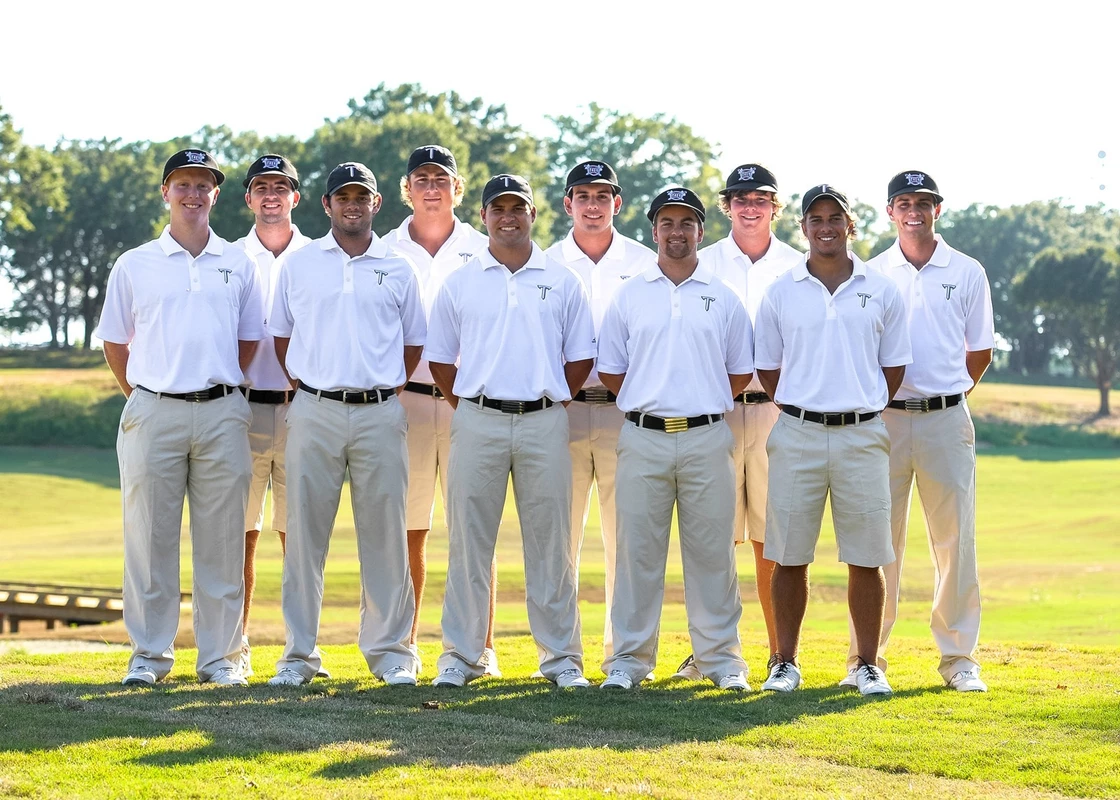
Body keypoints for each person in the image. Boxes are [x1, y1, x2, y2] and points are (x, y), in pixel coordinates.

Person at [96, 148, 263, 687]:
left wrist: (210, 384)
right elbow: (116, 342)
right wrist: (151, 393)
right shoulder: (135, 263)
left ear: (215, 194)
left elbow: (248, 341)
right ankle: (149, 656)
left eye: (203, 185)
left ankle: (220, 659)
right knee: (149, 540)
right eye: (183, 185)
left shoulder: (238, 263)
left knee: (222, 541)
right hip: (154, 410)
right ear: (166, 192)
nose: (193, 194)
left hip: (221, 412)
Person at [425, 174, 596, 689]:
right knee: (469, 543)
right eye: (498, 209)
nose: (508, 217)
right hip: (478, 418)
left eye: (517, 208)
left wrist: (541, 396)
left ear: (533, 214)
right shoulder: (461, 279)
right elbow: (439, 360)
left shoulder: (562, 278)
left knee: (551, 544)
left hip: (544, 418)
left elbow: (581, 358)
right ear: (483, 216)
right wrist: (476, 403)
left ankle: (562, 659)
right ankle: (462, 655)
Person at [267, 162, 425, 687]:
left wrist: (376, 385)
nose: (353, 204)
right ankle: (298, 655)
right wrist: (319, 383)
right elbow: (282, 339)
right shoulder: (301, 264)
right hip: (314, 408)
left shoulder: (399, 267)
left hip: (381, 410)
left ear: (377, 204)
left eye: (362, 196)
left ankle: (391, 654)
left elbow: (412, 344)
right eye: (343, 197)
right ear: (327, 205)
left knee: (385, 535)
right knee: (304, 535)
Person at [753, 184, 911, 697]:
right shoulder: (782, 289)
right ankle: (784, 662)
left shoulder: (881, 287)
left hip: (862, 434)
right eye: (815, 219)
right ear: (803, 227)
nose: (825, 226)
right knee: (788, 552)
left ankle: (866, 664)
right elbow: (768, 368)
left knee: (867, 554)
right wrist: (805, 407)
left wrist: (855, 407)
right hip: (796, 431)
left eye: (834, 218)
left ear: (851, 224)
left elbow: (893, 368)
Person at [597, 187, 753, 691]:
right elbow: (615, 372)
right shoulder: (631, 293)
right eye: (667, 223)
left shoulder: (722, 296)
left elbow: (736, 373)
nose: (676, 232)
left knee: (712, 553)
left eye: (687, 223)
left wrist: (697, 402)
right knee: (636, 552)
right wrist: (654, 402)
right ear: (654, 230)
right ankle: (628, 660)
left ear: (701, 232)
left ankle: (721, 660)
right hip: (644, 436)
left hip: (707, 435)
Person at [848, 170, 994, 692]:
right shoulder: (869, 273)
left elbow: (980, 351)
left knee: (955, 539)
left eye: (924, 203)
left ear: (938, 209)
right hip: (881, 419)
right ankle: (866, 659)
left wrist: (948, 394)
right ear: (889, 211)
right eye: (904, 203)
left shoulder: (968, 270)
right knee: (876, 541)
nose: (915, 211)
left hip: (945, 418)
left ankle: (958, 658)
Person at [675, 164, 802, 682]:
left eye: (762, 198)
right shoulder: (699, 264)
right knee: (713, 538)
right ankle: (711, 650)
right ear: (726, 206)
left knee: (773, 540)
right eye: (741, 198)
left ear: (776, 207)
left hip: (778, 411)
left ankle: (779, 654)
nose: (751, 207)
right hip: (716, 411)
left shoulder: (801, 266)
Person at [382, 145, 499, 676]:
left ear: (458, 187)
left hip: (469, 402)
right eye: (421, 178)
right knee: (406, 528)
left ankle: (480, 647)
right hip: (403, 399)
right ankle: (401, 649)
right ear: (407, 189)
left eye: (441, 178)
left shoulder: (488, 248)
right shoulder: (381, 250)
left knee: (473, 528)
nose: (432, 186)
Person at [543, 160, 656, 665]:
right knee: (557, 540)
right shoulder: (543, 262)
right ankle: (562, 655)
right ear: (568, 203)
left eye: (602, 195)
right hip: (559, 410)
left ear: (618, 202)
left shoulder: (645, 262)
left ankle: (624, 655)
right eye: (583, 195)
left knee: (628, 539)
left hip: (623, 411)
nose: (593, 204)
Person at [232, 154, 311, 679]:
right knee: (238, 535)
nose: (271, 196)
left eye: (280, 187)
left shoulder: (319, 256)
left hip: (305, 408)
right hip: (242, 408)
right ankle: (232, 652)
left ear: (296, 198)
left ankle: (298, 654)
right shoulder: (228, 257)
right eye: (261, 187)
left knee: (300, 536)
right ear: (248, 198)